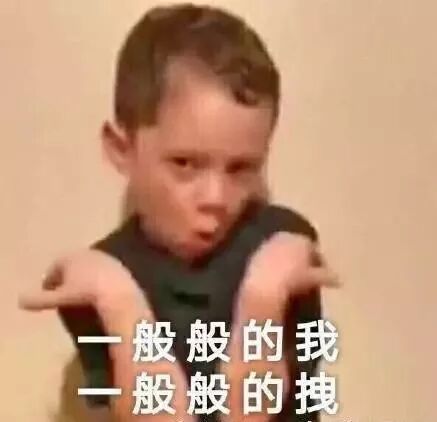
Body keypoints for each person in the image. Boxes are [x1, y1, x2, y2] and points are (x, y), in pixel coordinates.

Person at [19, 3, 339, 422]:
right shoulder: (98, 281)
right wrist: (118, 299)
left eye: (242, 168)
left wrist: (262, 297)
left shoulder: (279, 246)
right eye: (185, 164)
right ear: (121, 149)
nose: (216, 198)